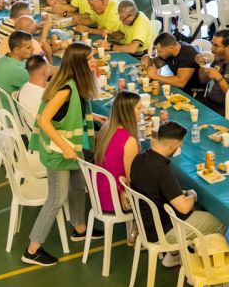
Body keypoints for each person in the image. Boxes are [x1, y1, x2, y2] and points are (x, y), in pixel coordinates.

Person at [23, 42, 100, 266]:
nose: (95, 62)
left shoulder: (74, 84)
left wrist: (93, 118)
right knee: (56, 198)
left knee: (77, 186)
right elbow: (45, 121)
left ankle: (79, 228)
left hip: (72, 150)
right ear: (79, 64)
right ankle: (32, 249)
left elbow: (68, 114)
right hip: (59, 152)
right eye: (91, 59)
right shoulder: (65, 89)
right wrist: (65, 147)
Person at [129, 120, 227, 265]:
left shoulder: (139, 158)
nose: (180, 147)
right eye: (180, 145)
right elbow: (184, 207)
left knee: (194, 210)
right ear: (173, 145)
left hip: (144, 223)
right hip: (163, 231)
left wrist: (180, 193)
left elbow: (155, 189)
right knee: (220, 221)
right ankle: (205, 268)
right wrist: (192, 195)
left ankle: (175, 254)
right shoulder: (162, 170)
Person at [93, 91, 140, 217]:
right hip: (116, 199)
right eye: (139, 108)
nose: (142, 112)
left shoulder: (106, 128)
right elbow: (132, 179)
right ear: (129, 112)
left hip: (99, 193)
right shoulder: (130, 141)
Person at [16, 54, 51, 125]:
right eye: (48, 67)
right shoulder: (44, 96)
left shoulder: (24, 87)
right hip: (42, 131)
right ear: (45, 71)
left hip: (30, 126)